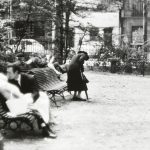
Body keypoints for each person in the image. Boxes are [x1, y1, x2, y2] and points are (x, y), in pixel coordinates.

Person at [6, 64, 57, 138]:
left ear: (16, 72)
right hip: (17, 105)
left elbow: (36, 92)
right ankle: (46, 129)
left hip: (30, 100)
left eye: (9, 72)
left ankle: (46, 129)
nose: (7, 74)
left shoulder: (29, 78)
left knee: (40, 103)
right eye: (7, 72)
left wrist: (30, 100)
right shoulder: (9, 81)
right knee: (37, 109)